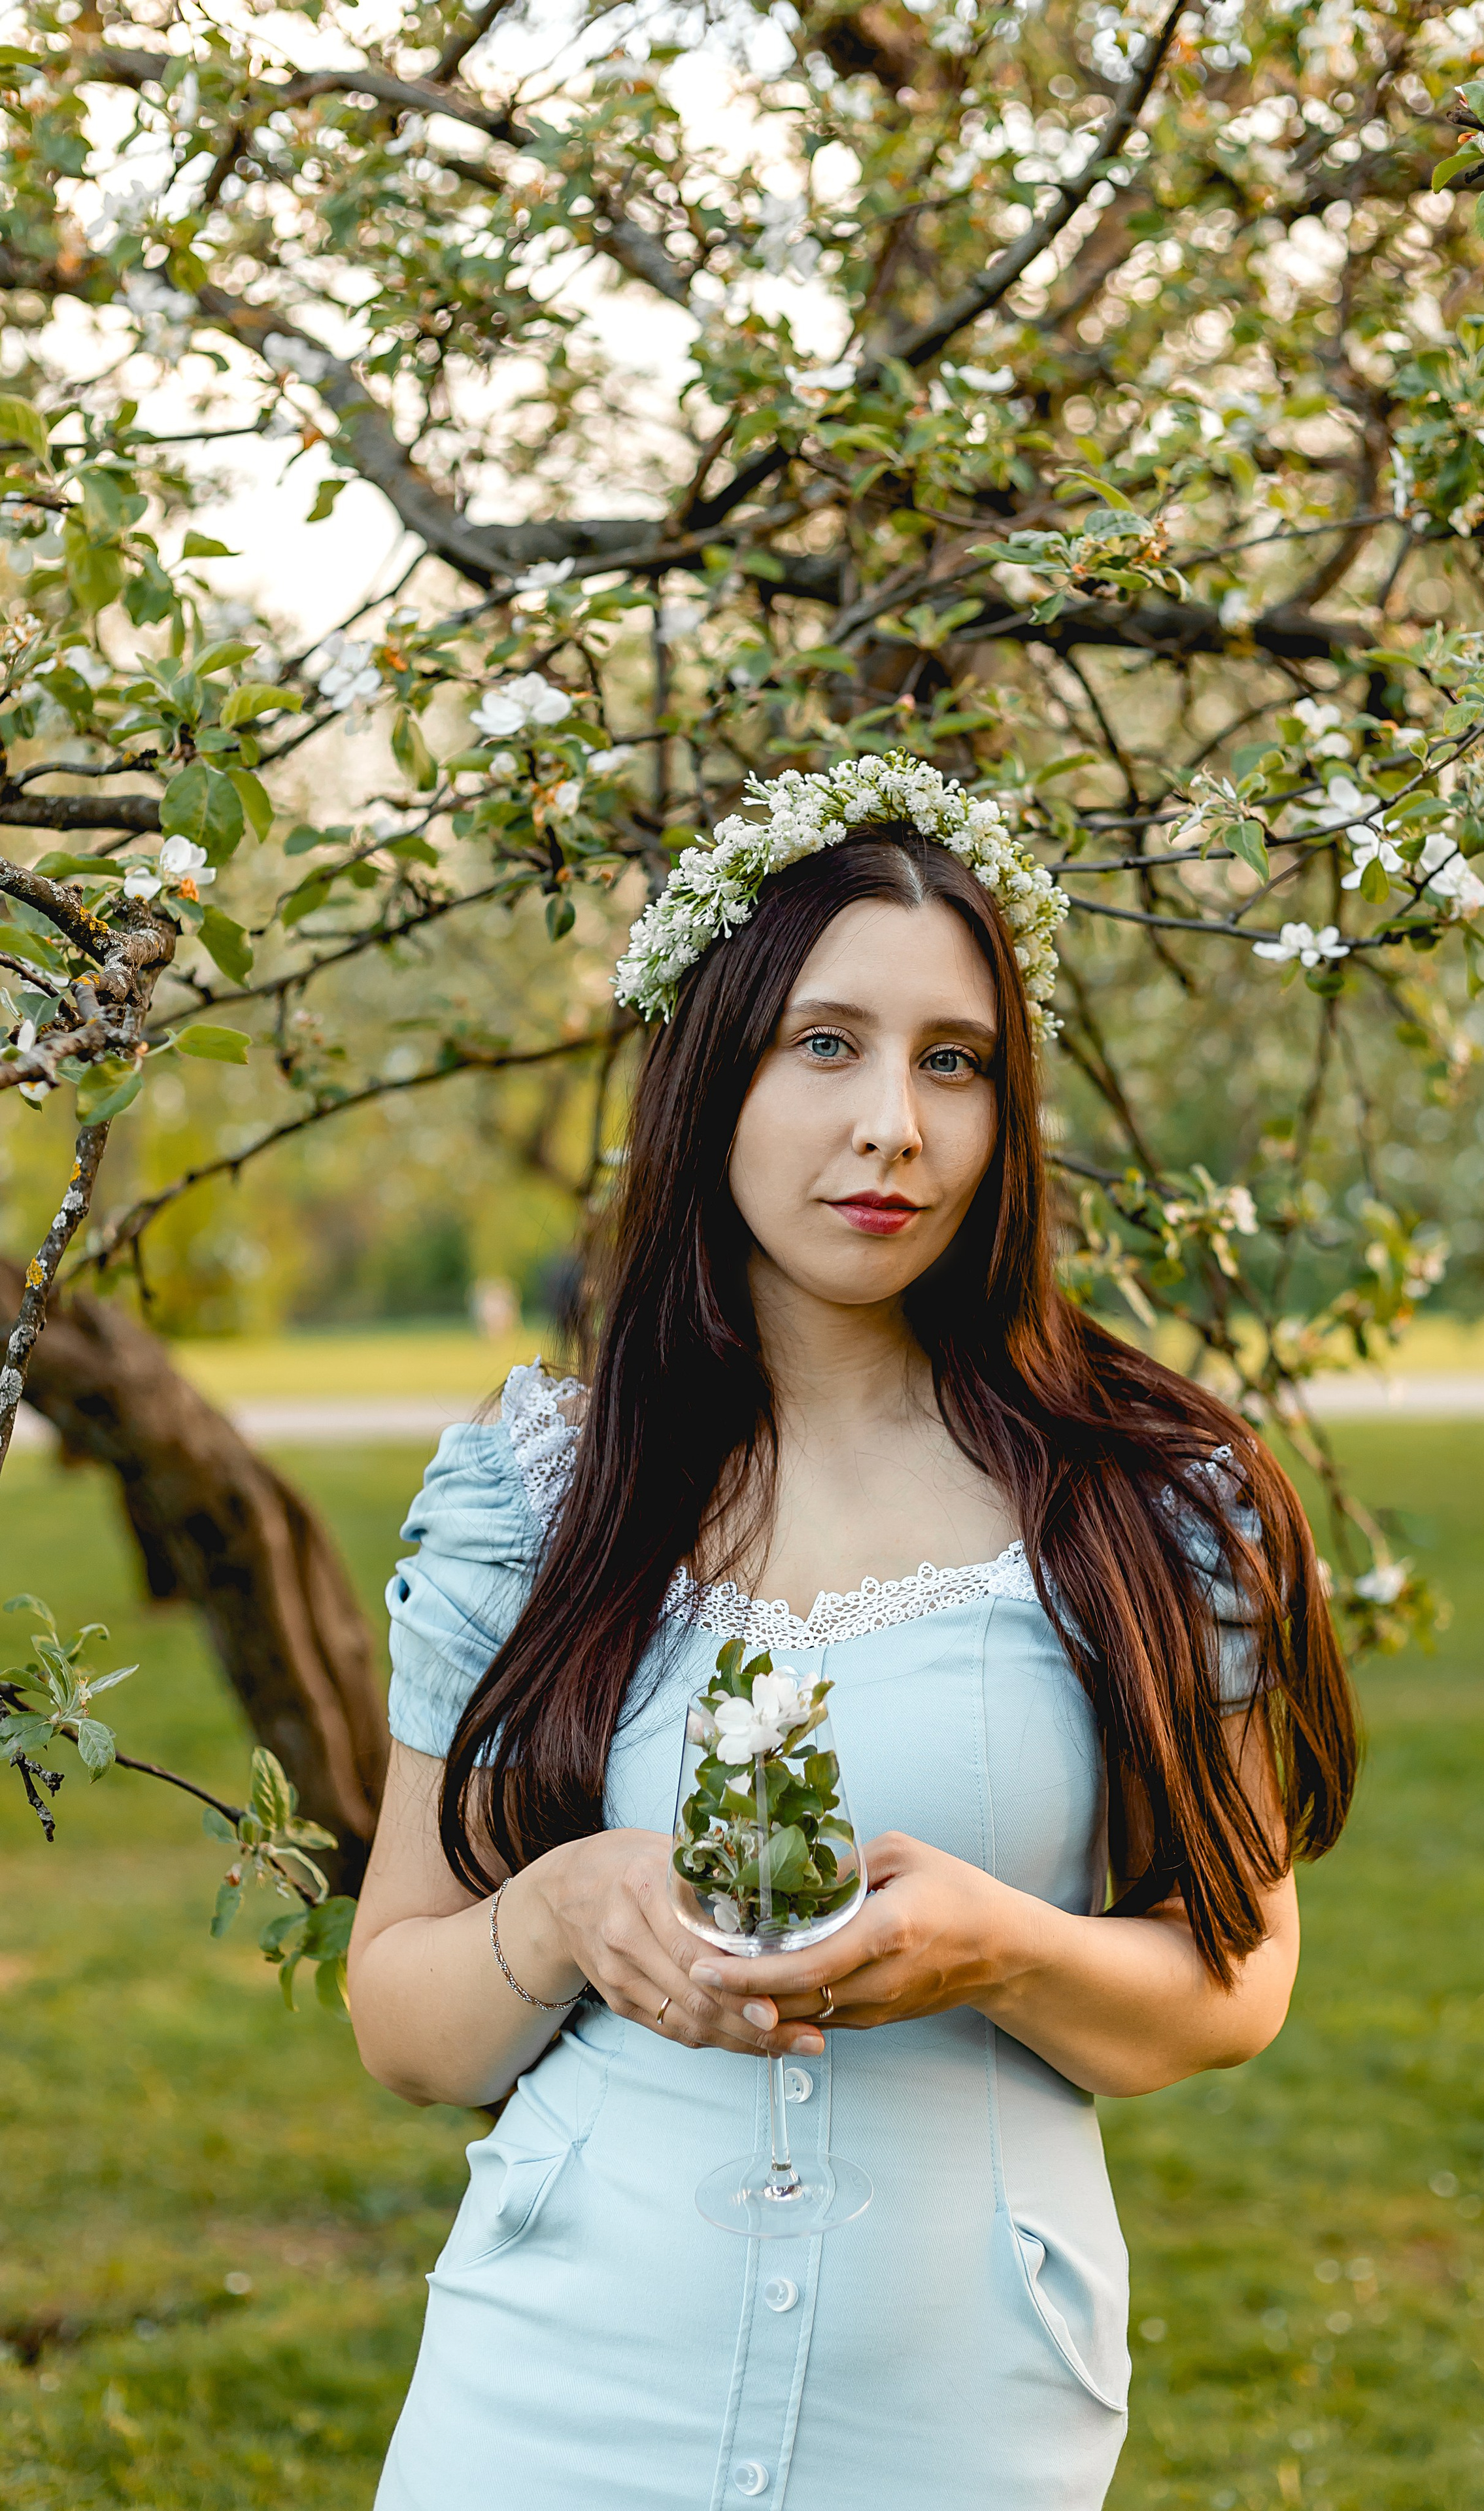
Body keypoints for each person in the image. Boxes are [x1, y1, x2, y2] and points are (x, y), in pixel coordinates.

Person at [347, 756, 1360, 2511]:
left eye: (951, 1061)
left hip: (963, 2416)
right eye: (825, 1044)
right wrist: (562, 1912)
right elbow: (404, 2022)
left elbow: (1236, 1981)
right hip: (552, 2403)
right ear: (710, 1073)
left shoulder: (1151, 1501)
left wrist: (1009, 1955)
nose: (894, 1122)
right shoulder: (536, 1499)